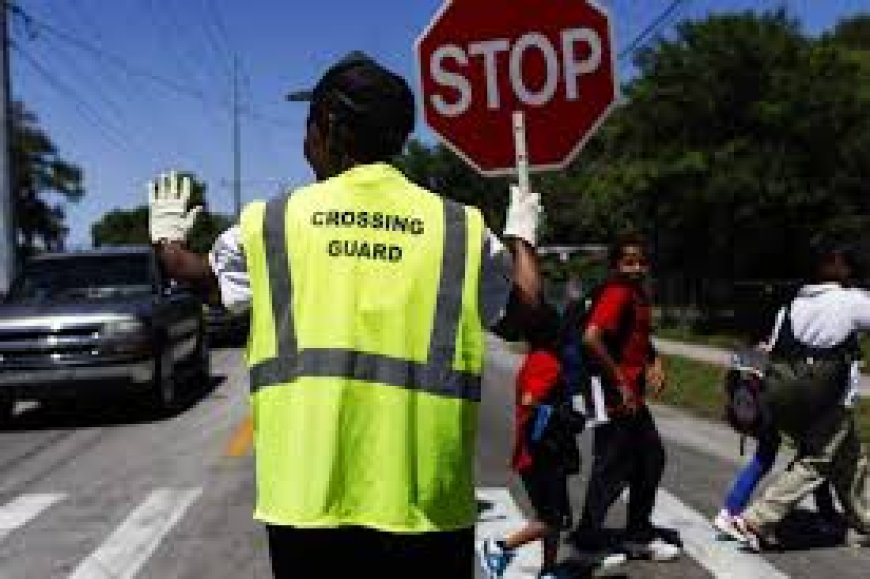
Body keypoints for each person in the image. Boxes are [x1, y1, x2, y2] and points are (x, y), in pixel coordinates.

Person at [147, 51, 544, 577]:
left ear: (329, 128)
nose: (305, 141)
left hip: (308, 505)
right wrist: (522, 236)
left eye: (308, 126)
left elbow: (199, 277)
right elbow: (524, 316)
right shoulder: (458, 229)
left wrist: (168, 241)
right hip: (424, 506)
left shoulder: (274, 223)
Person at [733, 240, 870, 551]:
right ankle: (757, 519)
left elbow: (769, 349)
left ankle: (865, 520)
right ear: (835, 266)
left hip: (784, 397)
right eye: (847, 264)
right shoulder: (850, 301)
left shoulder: (792, 304)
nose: (851, 270)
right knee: (817, 461)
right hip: (825, 398)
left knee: (851, 458)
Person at [567, 233, 681, 561]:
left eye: (641, 261)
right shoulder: (618, 293)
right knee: (612, 466)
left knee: (649, 459)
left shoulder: (635, 294)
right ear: (616, 264)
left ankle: (636, 534)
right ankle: (586, 542)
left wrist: (654, 360)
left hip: (628, 394)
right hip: (616, 394)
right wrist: (621, 381)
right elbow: (592, 339)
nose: (636, 267)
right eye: (628, 261)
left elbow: (636, 337)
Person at [478, 304, 581, 578]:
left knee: (552, 516)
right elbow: (530, 401)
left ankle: (548, 569)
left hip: (545, 453)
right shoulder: (546, 361)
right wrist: (563, 415)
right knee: (553, 519)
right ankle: (499, 547)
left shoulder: (540, 357)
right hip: (540, 455)